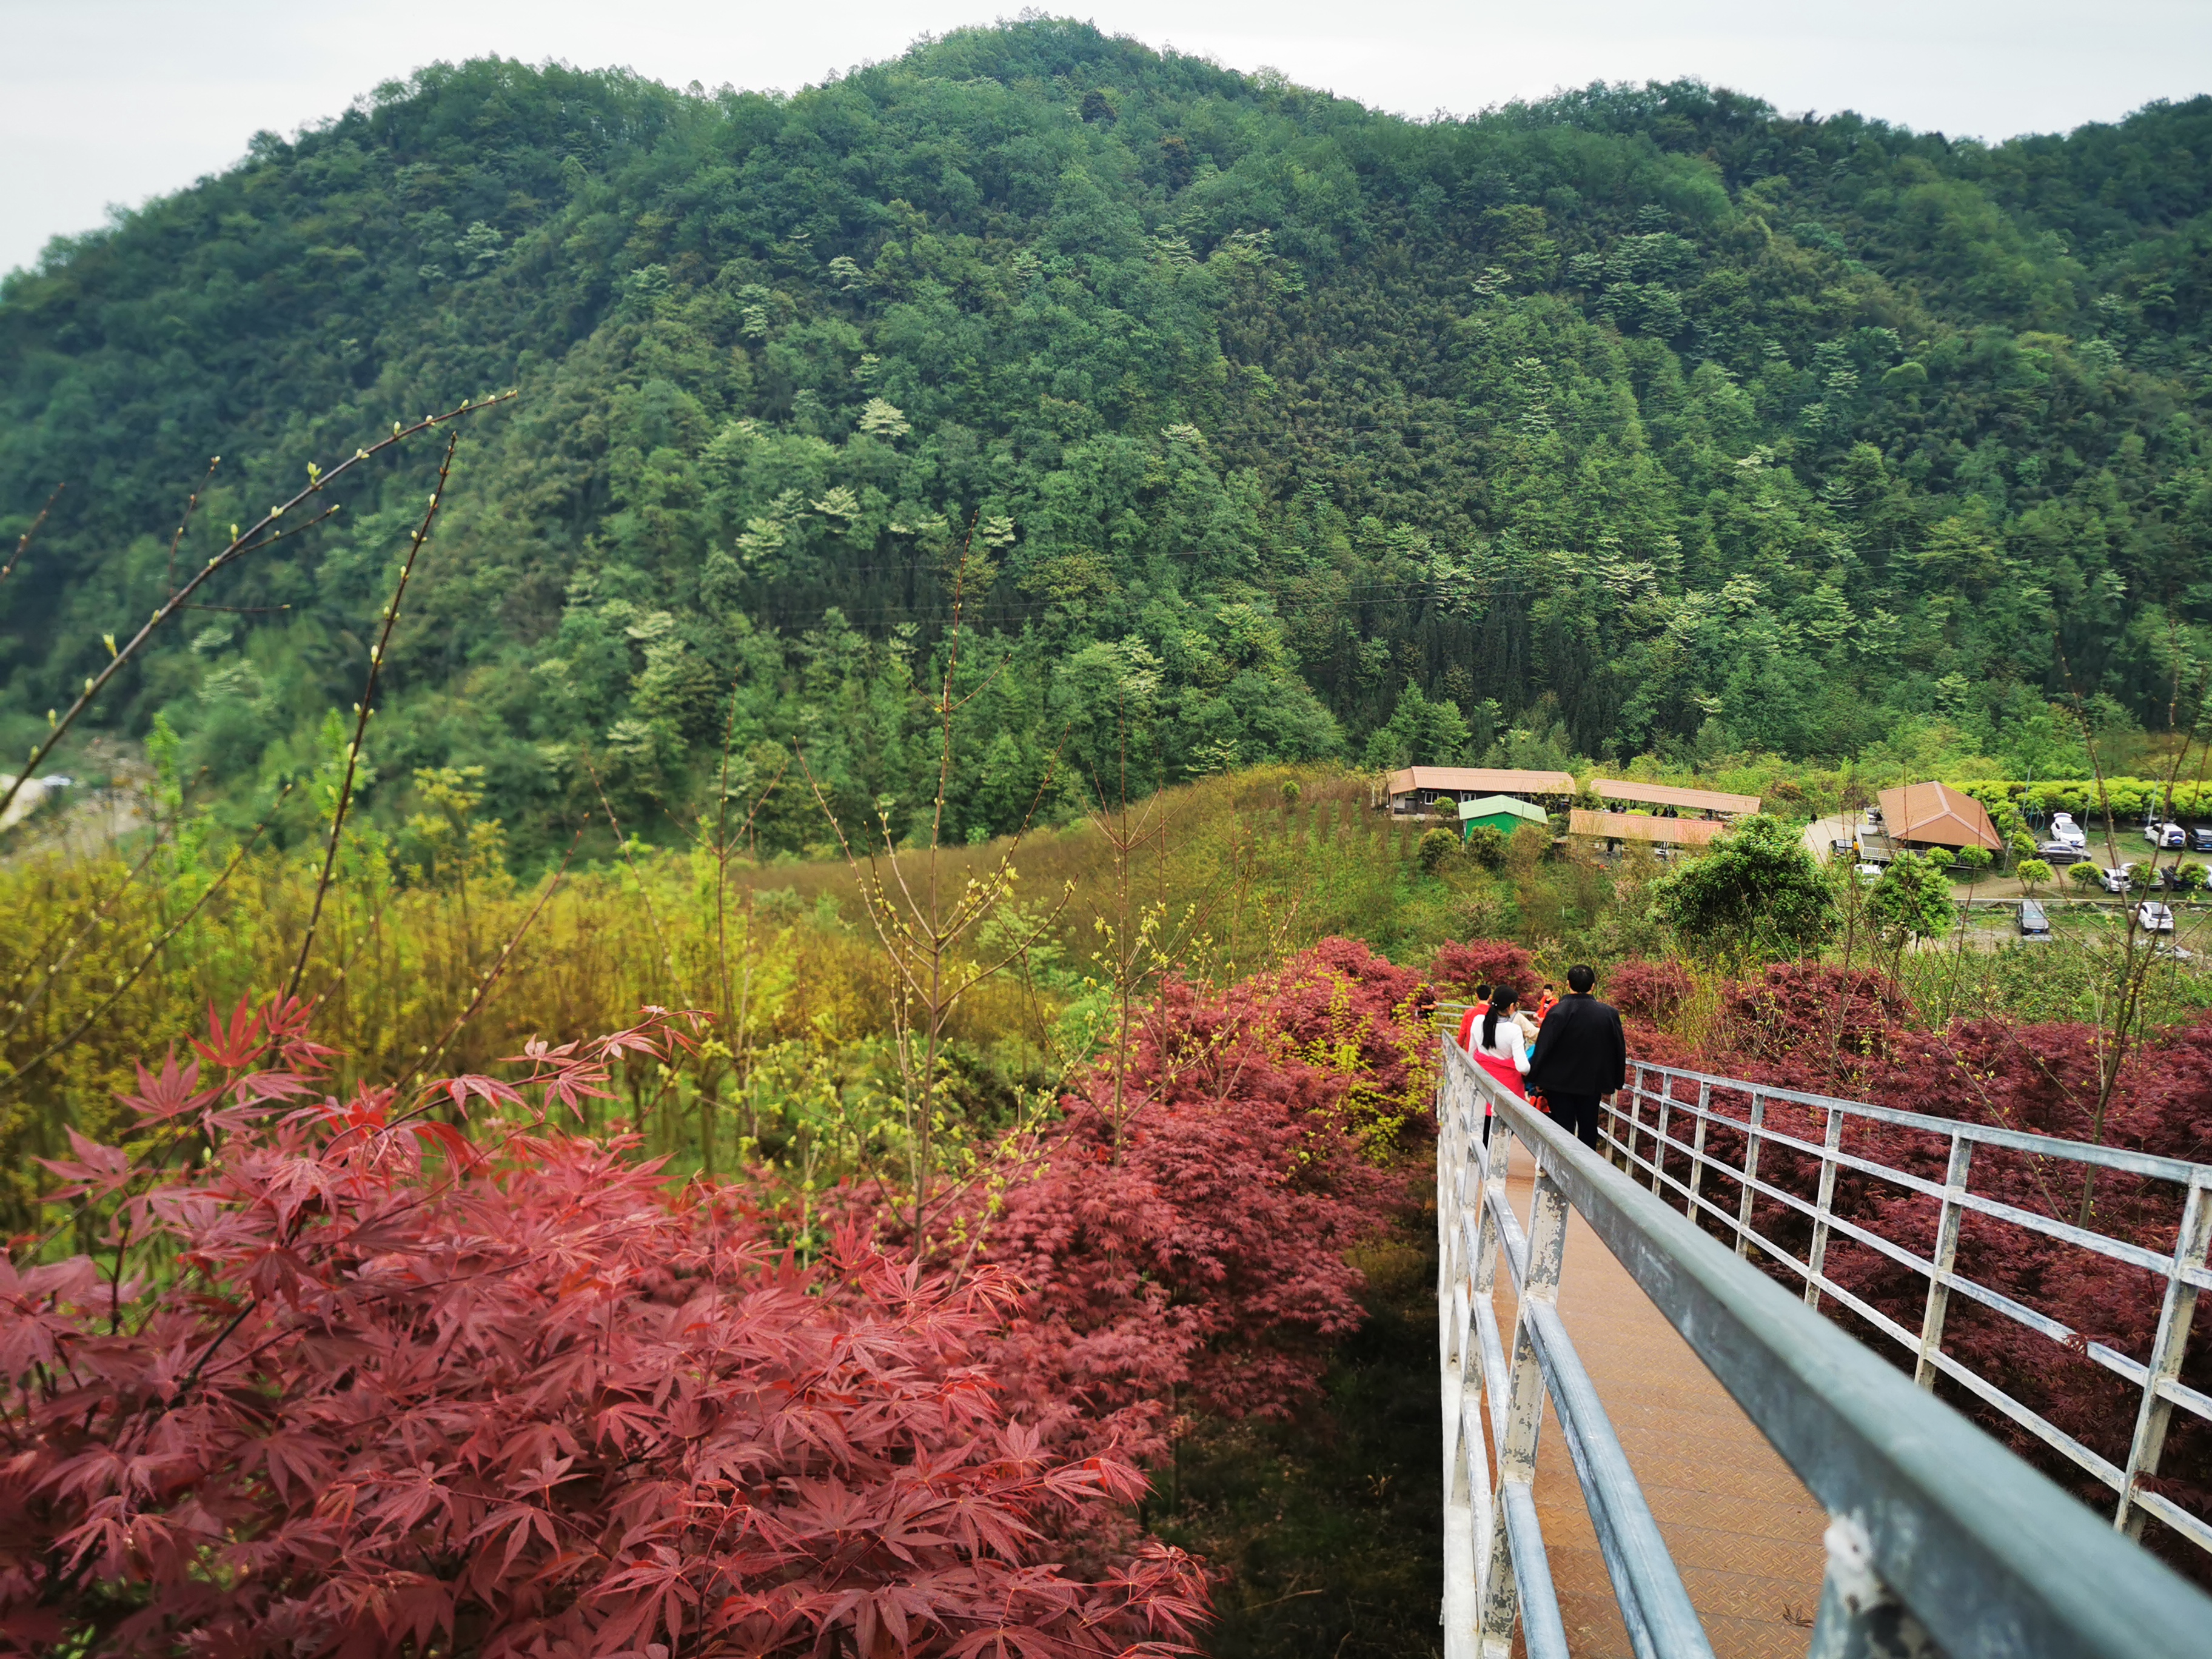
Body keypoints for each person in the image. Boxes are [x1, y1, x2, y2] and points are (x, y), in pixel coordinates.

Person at [1525, 964, 1626, 1151]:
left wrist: (1534, 1078)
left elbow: (1544, 1047)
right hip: (1592, 1082)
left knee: (1562, 1128)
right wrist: (1618, 1080)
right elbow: (1619, 1048)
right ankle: (1586, 1174)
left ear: (1568, 984)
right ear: (1593, 986)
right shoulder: (1608, 1014)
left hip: (1558, 1082)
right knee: (1588, 1128)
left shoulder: (1557, 1012)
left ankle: (1560, 1172)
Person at [1465, 986, 1529, 1138]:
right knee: (1501, 1138)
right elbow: (1523, 1067)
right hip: (1507, 1091)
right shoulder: (1514, 1031)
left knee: (1482, 1137)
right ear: (1512, 1007)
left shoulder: (1479, 1021)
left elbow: (1471, 1052)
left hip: (1482, 1086)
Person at [1456, 983, 1492, 1052]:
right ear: (1490, 996)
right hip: (1489, 1053)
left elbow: (1462, 1033)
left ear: (1477, 996)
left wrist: (1459, 1048)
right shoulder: (1494, 1014)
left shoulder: (1469, 1013)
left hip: (1471, 1051)